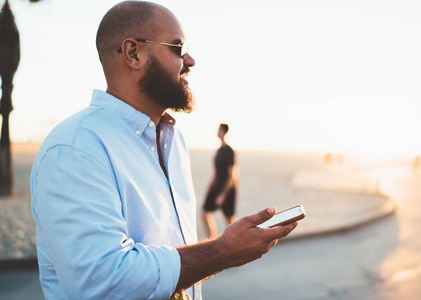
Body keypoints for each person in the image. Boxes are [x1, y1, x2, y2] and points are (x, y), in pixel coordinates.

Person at [30, 1, 299, 299]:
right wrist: (223, 251)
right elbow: (101, 282)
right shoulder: (75, 147)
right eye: (178, 47)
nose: (191, 60)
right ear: (134, 54)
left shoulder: (174, 141)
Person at [202, 123, 238, 238]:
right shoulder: (219, 151)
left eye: (219, 130)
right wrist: (209, 187)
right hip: (216, 187)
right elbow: (216, 171)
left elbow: (231, 174)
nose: (217, 132)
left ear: (223, 131)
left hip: (227, 189)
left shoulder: (229, 151)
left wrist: (223, 194)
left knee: (229, 219)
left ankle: (239, 240)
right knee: (204, 214)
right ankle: (212, 239)